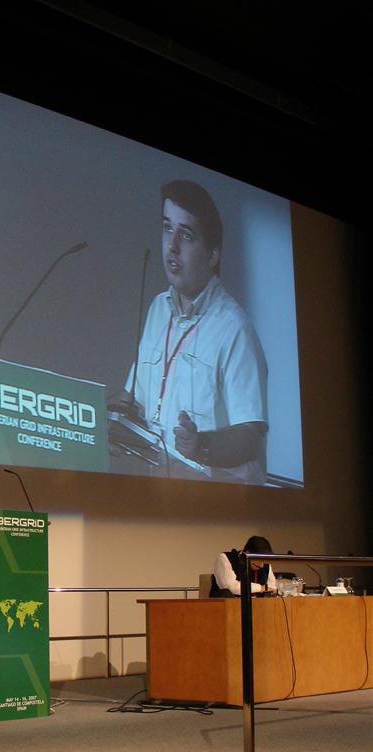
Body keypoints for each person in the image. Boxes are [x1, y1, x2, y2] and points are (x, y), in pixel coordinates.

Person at [118, 180, 268, 484]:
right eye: (167, 228)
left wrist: (201, 445)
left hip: (216, 502)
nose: (172, 246)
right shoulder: (158, 309)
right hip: (157, 490)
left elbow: (250, 435)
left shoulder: (233, 328)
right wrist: (96, 412)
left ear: (212, 256)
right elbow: (135, 399)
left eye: (186, 235)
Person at [210, 535, 277, 597]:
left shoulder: (265, 565)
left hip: (258, 604)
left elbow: (272, 588)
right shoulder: (225, 558)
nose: (262, 566)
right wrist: (261, 588)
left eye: (264, 560)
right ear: (247, 553)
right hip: (226, 603)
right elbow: (230, 587)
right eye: (259, 560)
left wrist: (267, 589)